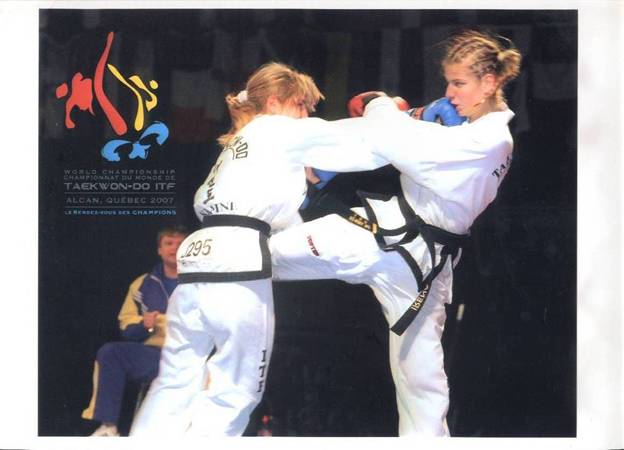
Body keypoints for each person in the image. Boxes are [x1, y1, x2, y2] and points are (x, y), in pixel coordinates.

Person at [269, 29, 522, 436]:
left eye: (459, 83)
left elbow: (396, 142)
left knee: (421, 383)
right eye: (449, 82)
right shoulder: (466, 129)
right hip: (395, 241)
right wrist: (408, 116)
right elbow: (399, 138)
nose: (450, 92)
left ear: (489, 82)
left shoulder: (489, 140)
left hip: (409, 252)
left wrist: (380, 103)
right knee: (264, 256)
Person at [130, 62, 379, 437]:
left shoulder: (239, 144)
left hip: (196, 264)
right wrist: (388, 110)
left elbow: (285, 216)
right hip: (237, 263)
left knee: (174, 383)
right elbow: (364, 145)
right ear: (276, 102)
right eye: (301, 105)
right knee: (236, 390)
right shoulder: (278, 128)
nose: (306, 115)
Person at [82, 224, 188, 436]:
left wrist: (166, 322)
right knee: (111, 352)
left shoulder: (202, 283)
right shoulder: (142, 284)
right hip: (156, 358)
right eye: (169, 243)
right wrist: (144, 325)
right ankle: (108, 426)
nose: (175, 248)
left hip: (193, 357)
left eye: (181, 244)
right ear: (159, 249)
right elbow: (126, 326)